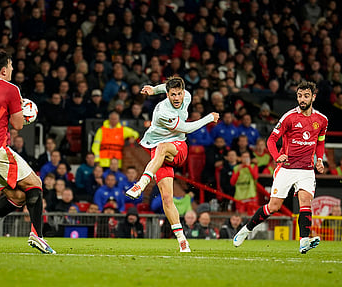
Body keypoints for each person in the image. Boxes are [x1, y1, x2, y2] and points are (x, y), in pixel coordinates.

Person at [0, 50, 55, 254]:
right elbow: (17, 124)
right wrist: (26, 115)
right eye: (11, 66)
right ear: (4, 69)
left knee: (17, 196)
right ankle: (37, 236)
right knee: (35, 184)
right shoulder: (11, 89)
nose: (13, 70)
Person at [126, 77, 219, 252]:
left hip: (178, 148)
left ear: (183, 92)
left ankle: (141, 184)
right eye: (172, 95)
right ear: (167, 95)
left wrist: (154, 89)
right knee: (167, 198)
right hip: (159, 153)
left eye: (179, 94)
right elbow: (187, 127)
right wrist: (209, 118)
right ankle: (182, 240)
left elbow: (184, 130)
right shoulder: (163, 112)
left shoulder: (187, 96)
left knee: (162, 146)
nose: (176, 98)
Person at [233, 82, 328, 254]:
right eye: (299, 95)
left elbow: (320, 143)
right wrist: (278, 158)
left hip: (306, 170)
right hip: (287, 168)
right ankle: (246, 230)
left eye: (306, 96)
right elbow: (270, 140)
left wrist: (319, 160)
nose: (302, 99)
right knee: (274, 206)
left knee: (305, 202)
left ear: (313, 97)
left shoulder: (322, 120)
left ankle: (304, 241)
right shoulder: (289, 117)